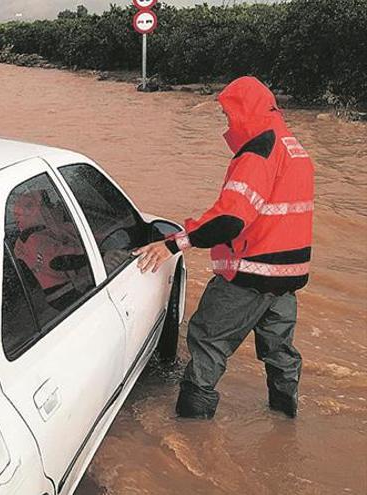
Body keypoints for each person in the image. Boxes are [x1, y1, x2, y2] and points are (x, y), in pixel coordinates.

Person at [134, 76, 314, 419]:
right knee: (280, 352)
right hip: (288, 277)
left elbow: (229, 220)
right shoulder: (294, 148)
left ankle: (191, 428)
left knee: (206, 339)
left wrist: (175, 244)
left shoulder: (258, 152)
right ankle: (285, 417)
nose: (227, 123)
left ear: (244, 111)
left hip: (250, 272)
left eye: (228, 115)